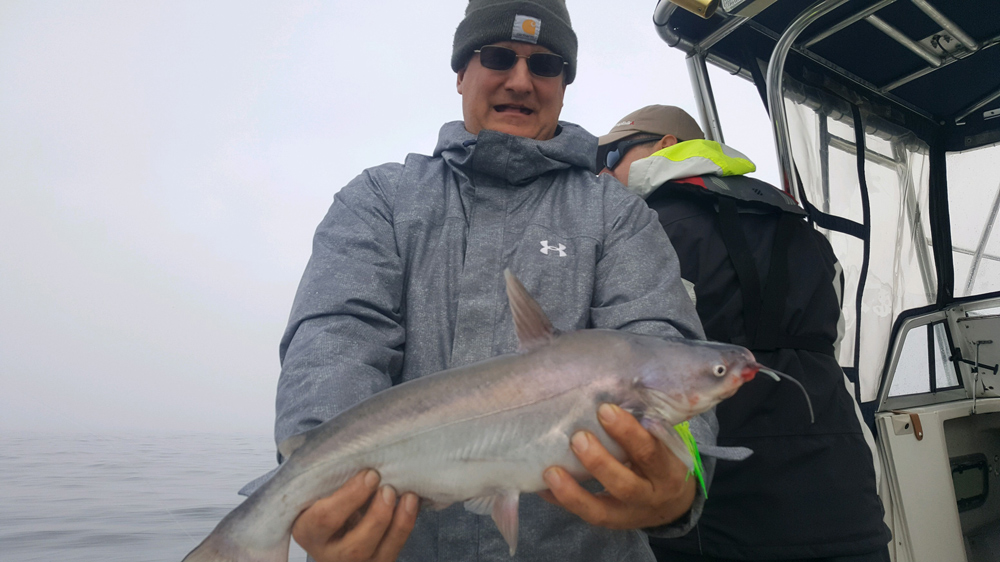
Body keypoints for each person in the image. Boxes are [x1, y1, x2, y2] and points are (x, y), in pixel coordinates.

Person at [253, 4, 717, 562]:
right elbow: (337, 339)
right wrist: (323, 483)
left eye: (545, 65)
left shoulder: (618, 215)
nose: (520, 81)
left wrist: (682, 473)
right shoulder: (378, 200)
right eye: (497, 57)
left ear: (564, 85)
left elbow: (663, 345)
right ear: (460, 73)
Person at [596, 105, 892, 562]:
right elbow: (832, 341)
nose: (602, 170)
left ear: (667, 146)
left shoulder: (643, 234)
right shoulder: (802, 229)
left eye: (613, 154)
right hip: (843, 494)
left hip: (718, 518)